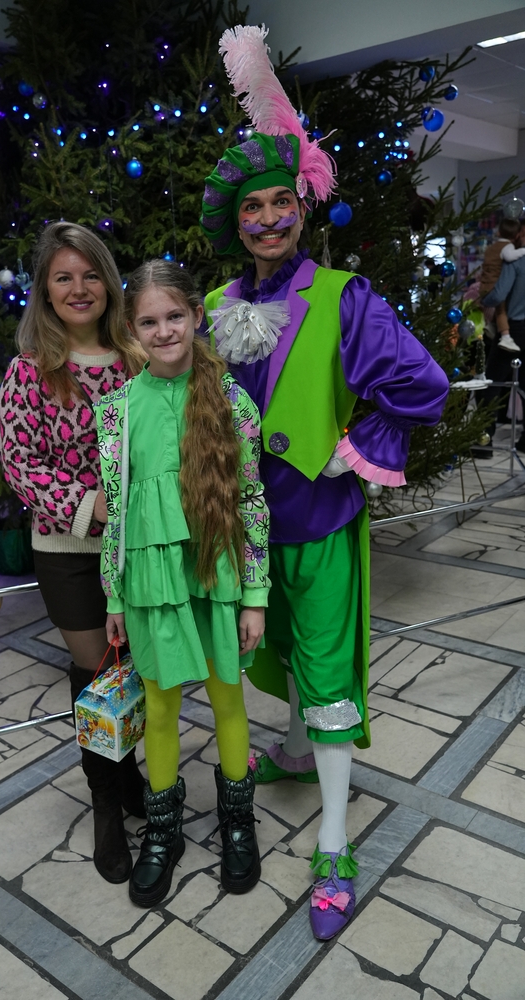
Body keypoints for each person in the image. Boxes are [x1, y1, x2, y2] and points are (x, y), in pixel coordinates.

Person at [199, 24, 449, 940]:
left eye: (281, 203)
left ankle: (335, 842)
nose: (268, 218)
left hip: (320, 516)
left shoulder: (346, 297)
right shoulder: (218, 307)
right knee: (278, 650)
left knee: (329, 665)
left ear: (303, 209)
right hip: (246, 531)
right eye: (252, 207)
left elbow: (422, 384)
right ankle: (297, 751)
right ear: (236, 222)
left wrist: (357, 445)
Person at [94, 260, 270, 907]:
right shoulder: (116, 411)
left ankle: (237, 820)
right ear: (131, 330)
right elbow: (116, 514)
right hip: (150, 585)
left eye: (175, 316)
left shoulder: (232, 401)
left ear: (197, 315)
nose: (164, 330)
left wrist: (255, 596)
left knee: (228, 702)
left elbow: (252, 502)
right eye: (149, 321)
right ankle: (163, 829)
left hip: (217, 575)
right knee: (161, 709)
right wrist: (115, 595)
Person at [0, 222, 146, 884]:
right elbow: (21, 463)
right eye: (64, 277)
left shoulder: (137, 357)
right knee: (97, 673)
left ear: (108, 283)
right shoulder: (31, 371)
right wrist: (93, 505)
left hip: (142, 544)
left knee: (136, 664)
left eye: (90, 275)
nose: (79, 288)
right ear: (46, 290)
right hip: (69, 549)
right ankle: (106, 801)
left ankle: (132, 771)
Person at [482, 246, 525, 453]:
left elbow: (498, 294)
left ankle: (483, 439)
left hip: (513, 328)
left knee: (493, 383)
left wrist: (484, 297)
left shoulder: (515, 262)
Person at [479, 217, 522, 352]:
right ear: (516, 235)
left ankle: (492, 326)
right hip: (494, 285)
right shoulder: (507, 247)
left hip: (485, 284)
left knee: (498, 310)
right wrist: (523, 251)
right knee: (501, 310)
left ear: (498, 232)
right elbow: (510, 256)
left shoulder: (492, 247)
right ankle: (506, 337)